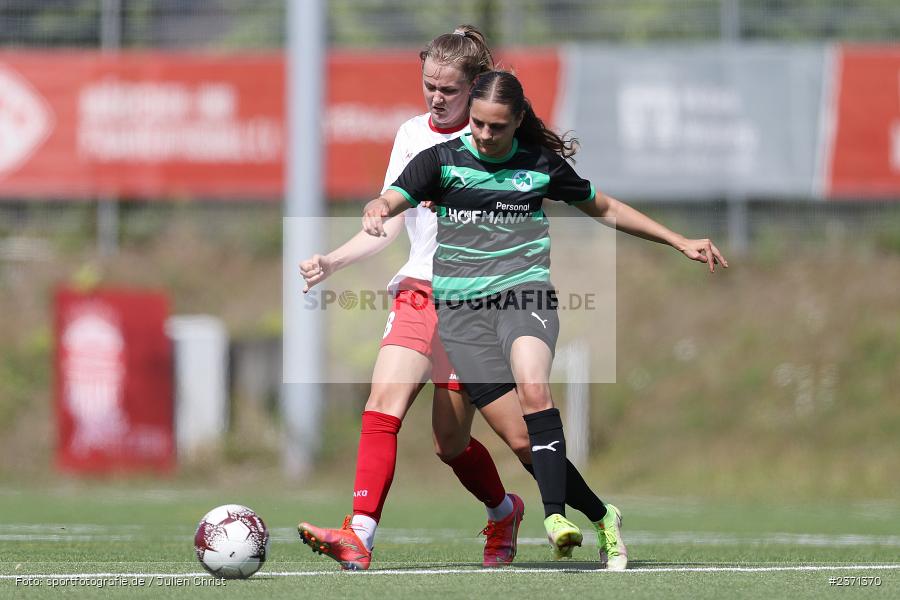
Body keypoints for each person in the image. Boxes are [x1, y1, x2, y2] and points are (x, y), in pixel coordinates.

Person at [363, 70, 728, 565]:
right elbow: (395, 195)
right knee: (521, 442)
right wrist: (378, 207)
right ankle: (603, 516)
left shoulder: (539, 165)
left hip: (523, 296)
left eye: (497, 127)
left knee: (535, 388)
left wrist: (678, 239)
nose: (485, 136)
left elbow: (606, 207)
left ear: (517, 123)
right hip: (461, 318)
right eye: (478, 125)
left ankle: (554, 516)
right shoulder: (441, 160)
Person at [297, 26, 525, 571]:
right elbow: (389, 224)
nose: (436, 97)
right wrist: (332, 260)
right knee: (382, 406)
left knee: (450, 444)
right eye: (429, 86)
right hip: (419, 293)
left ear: (474, 87)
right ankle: (360, 535)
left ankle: (505, 512)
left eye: (447, 89)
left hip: (474, 303)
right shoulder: (410, 135)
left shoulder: (496, 142)